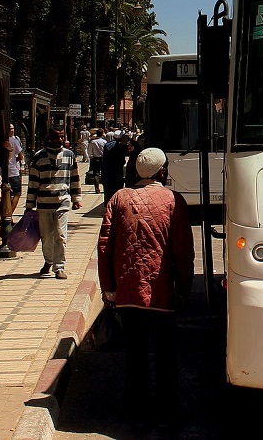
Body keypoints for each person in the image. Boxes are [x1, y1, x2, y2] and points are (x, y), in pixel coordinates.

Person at [97, 147, 194, 429]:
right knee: (165, 354)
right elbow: (183, 252)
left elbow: (105, 247)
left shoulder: (119, 198)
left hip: (128, 292)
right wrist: (184, 289)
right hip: (161, 293)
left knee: (135, 354)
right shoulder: (173, 200)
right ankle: (167, 408)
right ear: (162, 171)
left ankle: (136, 409)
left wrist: (109, 290)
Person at [25, 126, 82, 279]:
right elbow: (33, 183)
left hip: (62, 202)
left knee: (61, 235)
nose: (60, 140)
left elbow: (74, 178)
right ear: (50, 138)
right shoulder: (39, 157)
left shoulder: (69, 155)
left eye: (62, 137)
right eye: (57, 137)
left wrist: (77, 199)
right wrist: (29, 205)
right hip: (43, 203)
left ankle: (59, 267)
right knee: (46, 236)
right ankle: (48, 261)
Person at [102, 133, 130, 203]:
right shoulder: (122, 147)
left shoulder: (107, 144)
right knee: (117, 187)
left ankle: (108, 202)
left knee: (108, 188)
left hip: (107, 169)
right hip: (117, 170)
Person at [7, 124, 23, 221]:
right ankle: (9, 215)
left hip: (3, 171)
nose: (12, 131)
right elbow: (20, 156)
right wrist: (14, 161)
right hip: (12, 172)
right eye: (10, 129)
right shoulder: (13, 141)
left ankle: (8, 215)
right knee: (17, 193)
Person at [88, 128, 106, 194]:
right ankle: (105, 187)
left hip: (96, 159)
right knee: (104, 174)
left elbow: (89, 151)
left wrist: (90, 156)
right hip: (103, 158)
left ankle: (97, 188)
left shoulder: (93, 142)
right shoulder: (104, 142)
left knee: (96, 174)